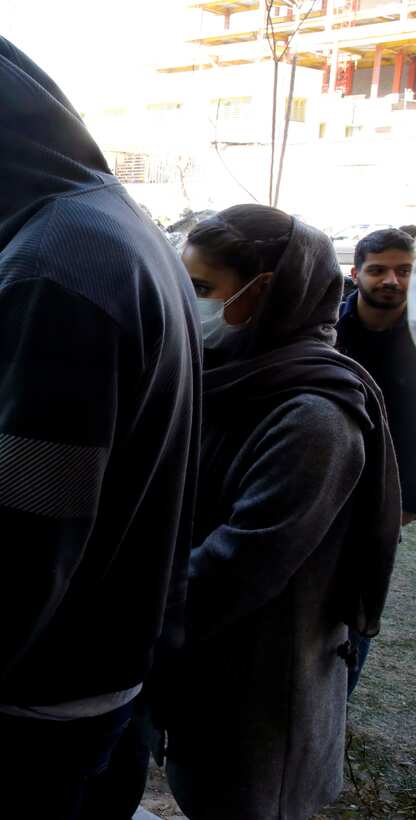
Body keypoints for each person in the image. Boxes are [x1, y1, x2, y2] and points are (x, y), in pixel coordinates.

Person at [0, 32, 201, 819]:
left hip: (25, 699)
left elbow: (24, 525)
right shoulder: (119, 227)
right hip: (101, 666)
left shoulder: (54, 264)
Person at [158, 206, 400, 820]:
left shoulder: (313, 415)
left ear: (265, 290)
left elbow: (241, 563)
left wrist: (136, 611)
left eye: (202, 288)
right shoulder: (233, 376)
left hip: (262, 695)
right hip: (207, 673)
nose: (189, 302)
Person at [333, 227, 415, 697]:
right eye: (379, 269)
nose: (392, 280)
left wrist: (408, 503)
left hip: (385, 500)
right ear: (356, 273)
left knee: (360, 602)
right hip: (323, 484)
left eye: (404, 271)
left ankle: (340, 700)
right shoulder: (328, 329)